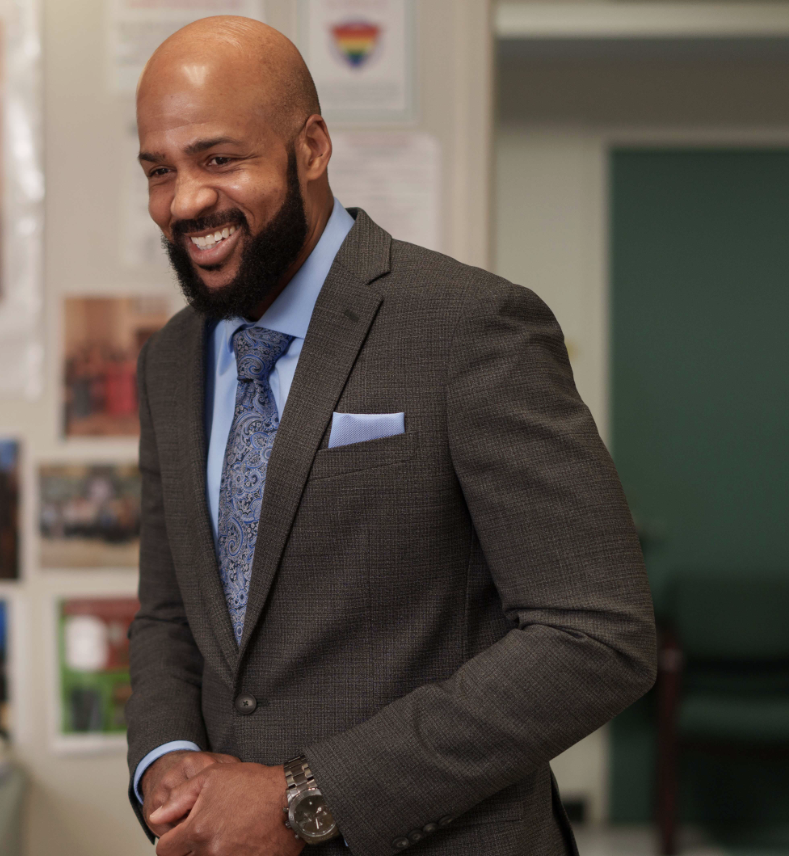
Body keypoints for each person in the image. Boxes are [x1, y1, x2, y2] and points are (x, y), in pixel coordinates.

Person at [125, 17, 657, 856]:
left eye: (219, 160)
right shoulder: (170, 362)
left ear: (311, 148)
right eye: (161, 170)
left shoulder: (469, 326)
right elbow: (167, 615)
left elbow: (596, 637)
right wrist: (164, 760)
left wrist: (307, 798)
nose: (185, 201)